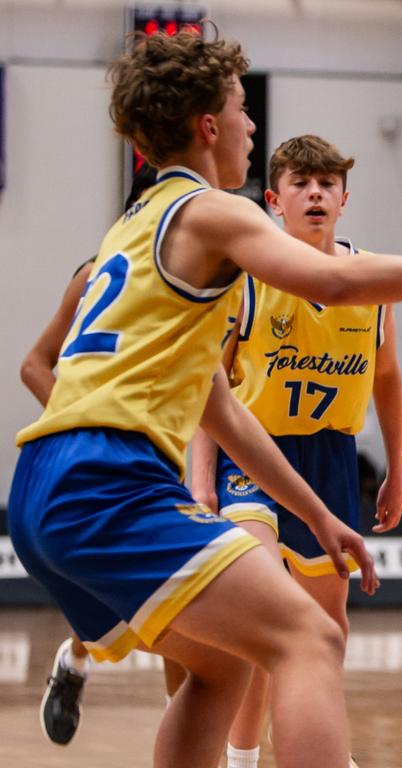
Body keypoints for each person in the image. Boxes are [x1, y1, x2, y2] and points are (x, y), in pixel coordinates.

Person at [7, 29, 402, 768]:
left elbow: (220, 406)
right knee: (310, 638)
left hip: (45, 483)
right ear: (208, 126)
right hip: (108, 474)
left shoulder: (132, 228)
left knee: (223, 664)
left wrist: (317, 516)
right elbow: (335, 282)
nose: (253, 125)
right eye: (244, 109)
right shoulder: (216, 210)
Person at [189, 133, 402, 768]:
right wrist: (201, 479)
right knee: (267, 613)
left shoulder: (369, 281)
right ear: (272, 199)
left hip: (331, 458)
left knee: (323, 631)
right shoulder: (248, 277)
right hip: (251, 456)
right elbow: (211, 386)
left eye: (327, 184)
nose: (315, 193)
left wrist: (396, 467)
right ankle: (244, 758)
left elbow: (388, 378)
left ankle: (309, 747)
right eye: (301, 183)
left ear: (344, 199)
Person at [20, 164, 188, 747]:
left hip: (183, 455)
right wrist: (87, 419)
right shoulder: (97, 274)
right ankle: (75, 657)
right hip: (110, 460)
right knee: (151, 615)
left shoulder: (210, 276)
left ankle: (198, 736)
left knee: (188, 619)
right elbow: (34, 364)